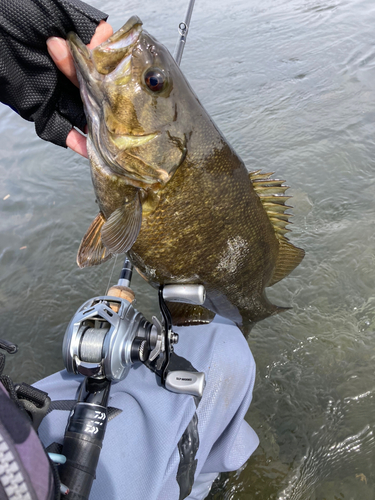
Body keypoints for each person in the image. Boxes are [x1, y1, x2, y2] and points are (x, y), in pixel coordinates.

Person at [0, 1, 259, 499]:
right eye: (155, 84)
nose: (147, 78)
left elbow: (116, 232)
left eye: (152, 83)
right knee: (227, 351)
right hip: (39, 466)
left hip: (22, 437)